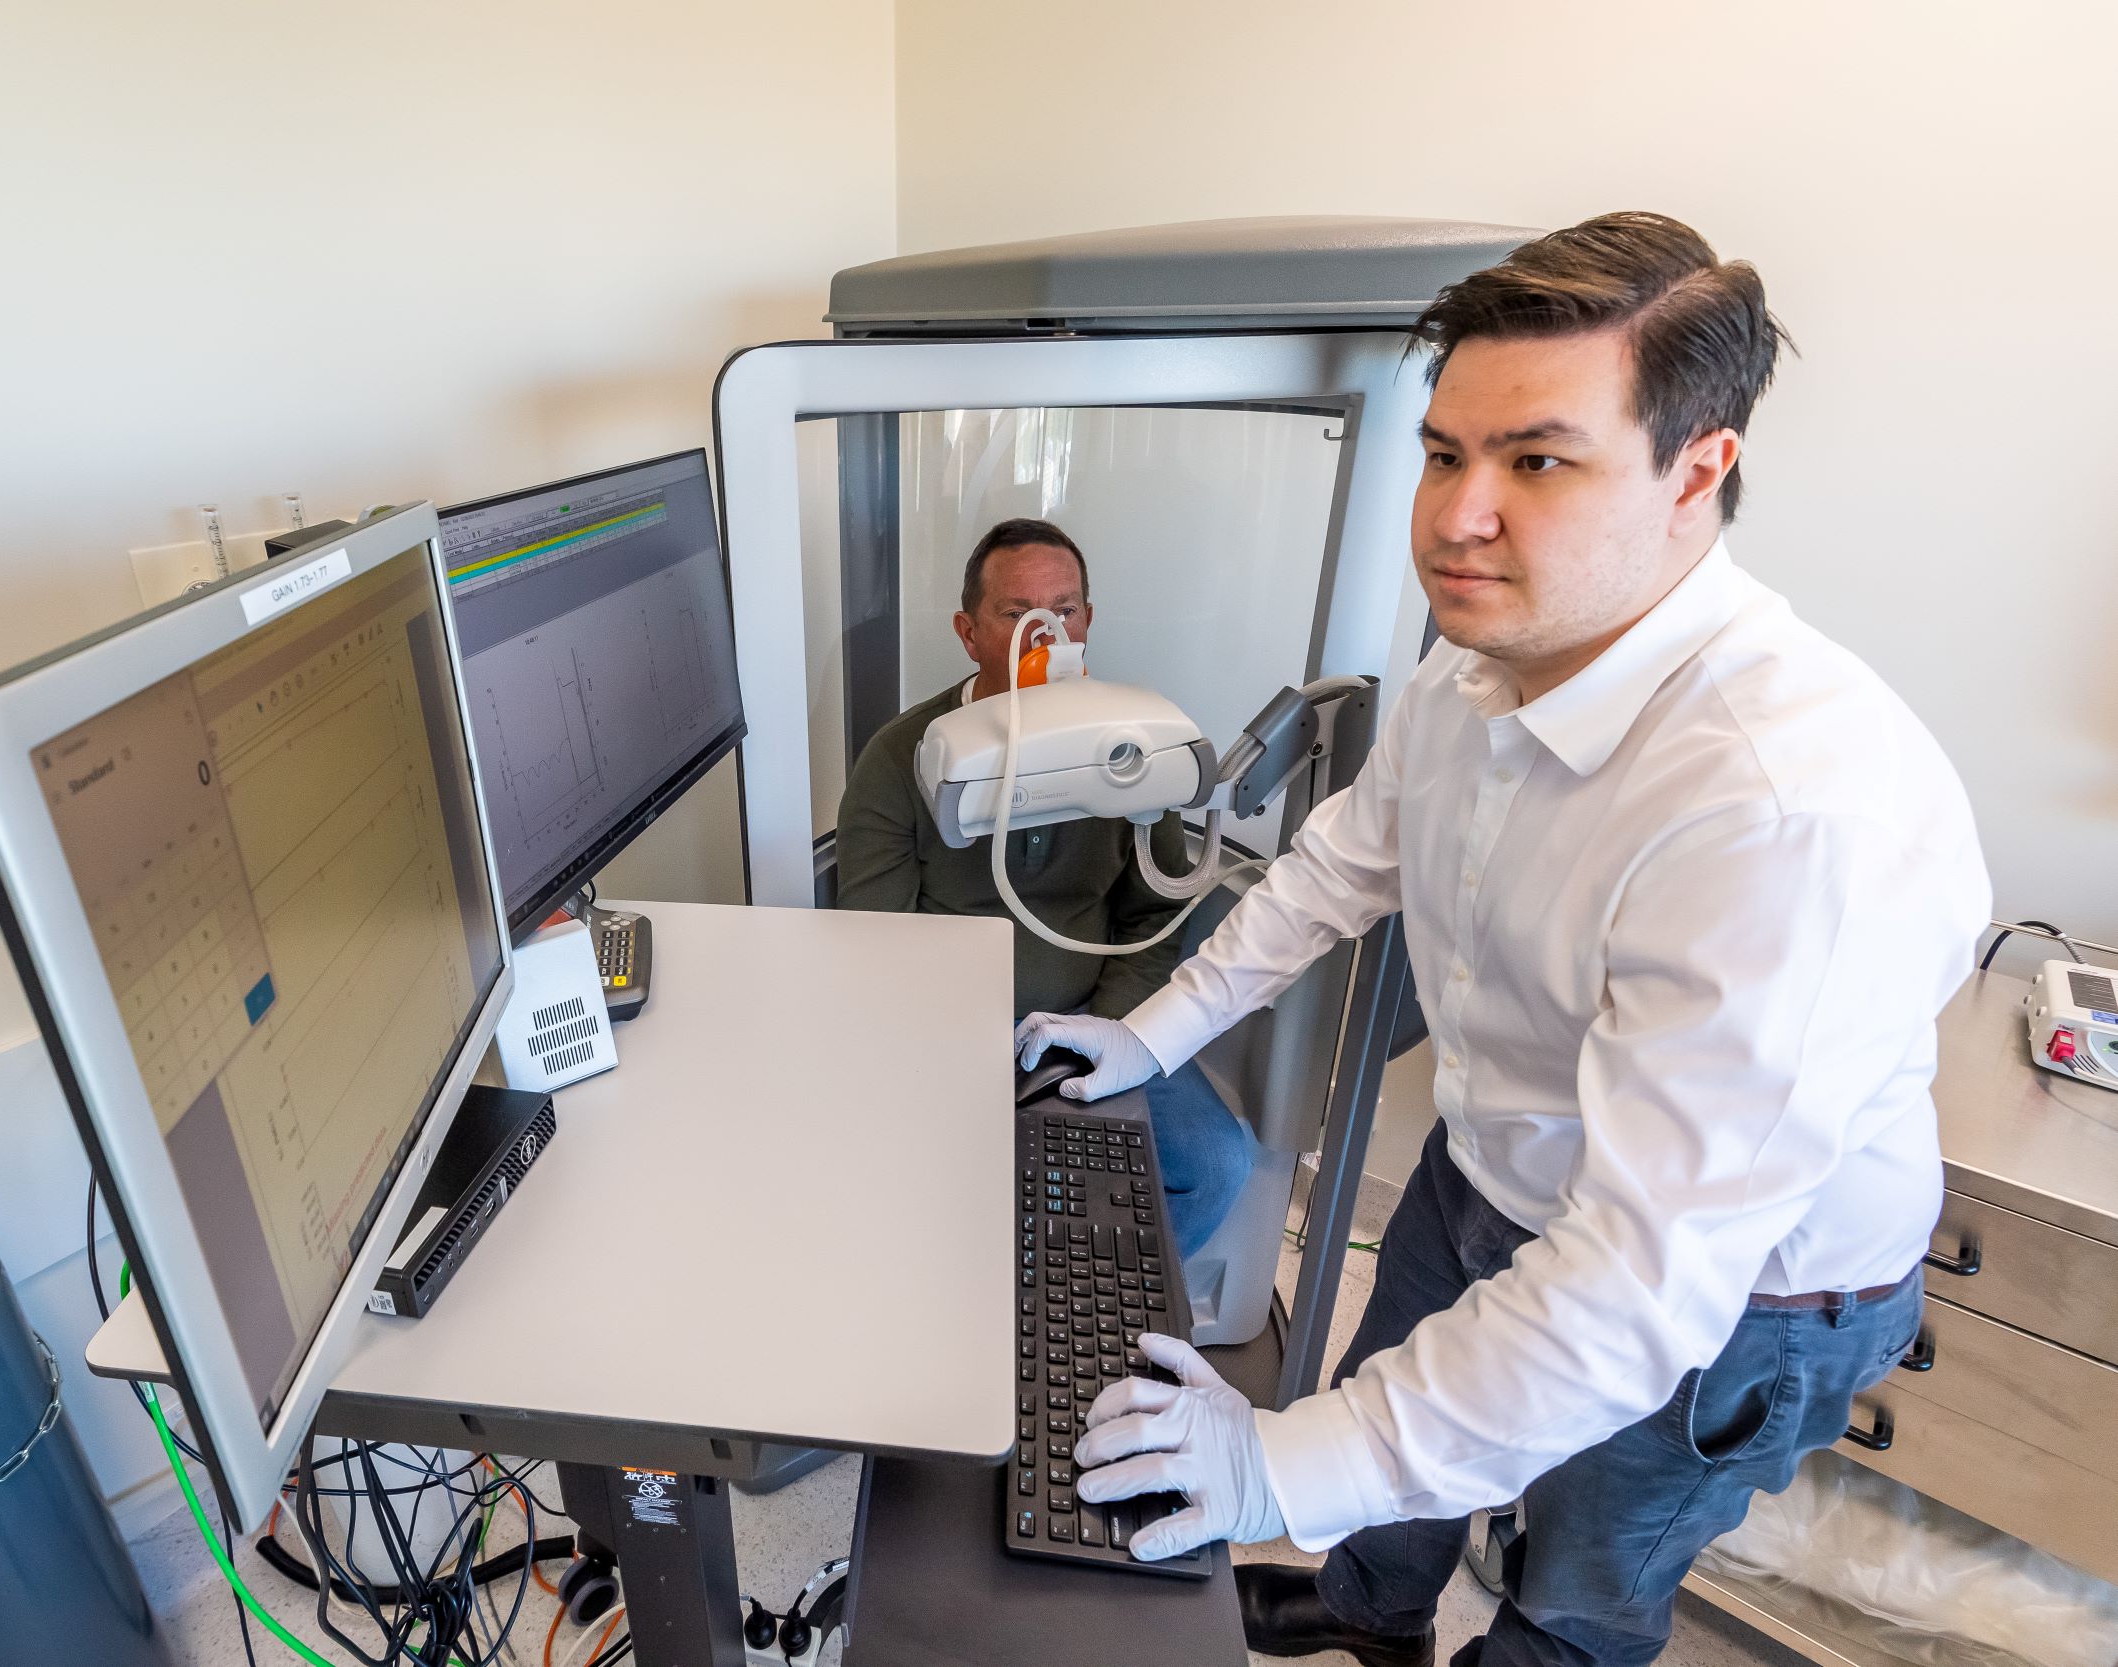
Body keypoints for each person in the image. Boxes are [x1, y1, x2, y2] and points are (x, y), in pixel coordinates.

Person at [1016, 212, 1990, 1666]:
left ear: (1696, 469)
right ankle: (1365, 1608)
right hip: (1492, 1169)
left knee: (1583, 1577)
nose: (1456, 516)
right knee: (1385, 1447)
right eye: (1442, 452)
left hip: (1744, 1293)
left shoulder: (1781, 806)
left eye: (1536, 461)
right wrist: (1147, 1031)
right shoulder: (1475, 663)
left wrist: (1270, 1464)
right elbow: (1339, 864)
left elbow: (1628, 1291)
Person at [836, 516, 1259, 1257]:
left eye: (1063, 611)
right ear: (968, 632)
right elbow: (876, 944)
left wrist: (1110, 1033)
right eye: (1016, 614)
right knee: (935, 1189)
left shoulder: (1137, 750)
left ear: (1087, 623)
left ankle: (1083, 1308)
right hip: (946, 1037)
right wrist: (964, 1052)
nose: (1044, 635)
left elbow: (1154, 914)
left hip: (1093, 1026)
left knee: (1219, 1164)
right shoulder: (903, 757)